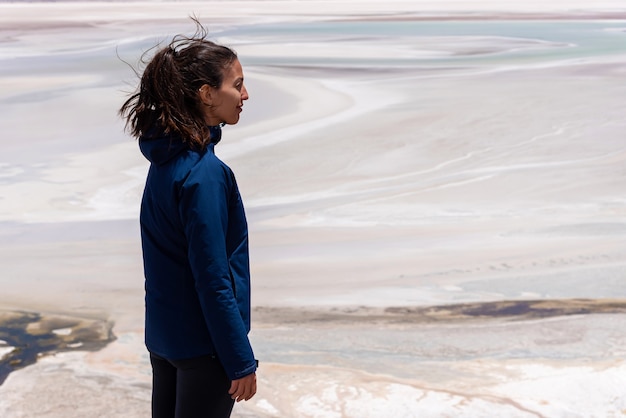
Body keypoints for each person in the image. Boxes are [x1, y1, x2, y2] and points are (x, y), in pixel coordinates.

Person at [119, 22, 257, 418]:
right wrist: (240, 359)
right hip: (204, 346)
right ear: (206, 94)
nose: (245, 95)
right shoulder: (204, 175)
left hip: (165, 340)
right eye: (238, 84)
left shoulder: (164, 164)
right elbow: (213, 277)